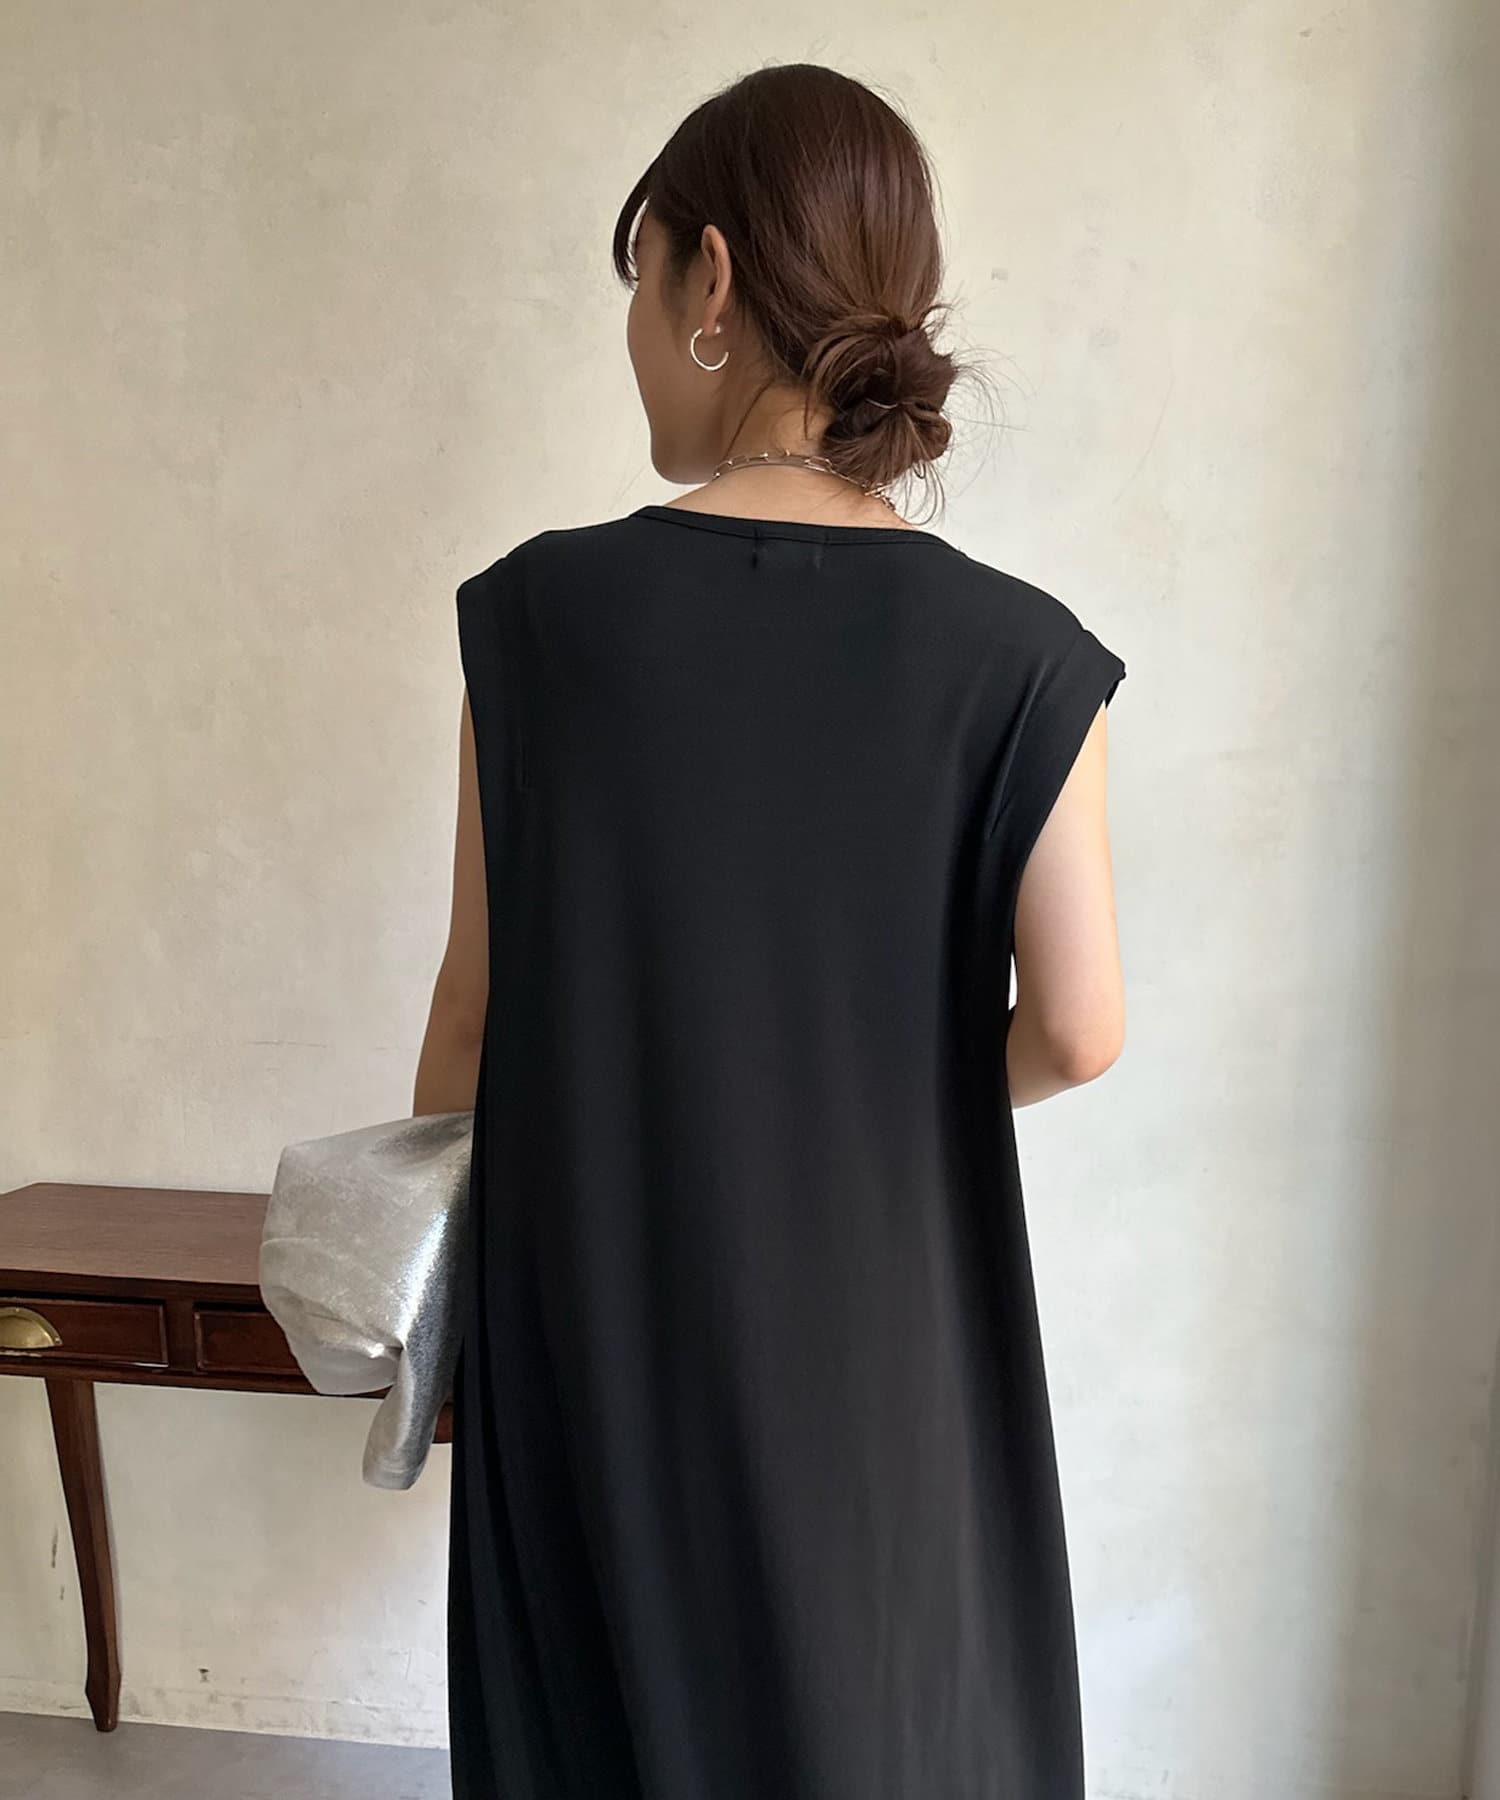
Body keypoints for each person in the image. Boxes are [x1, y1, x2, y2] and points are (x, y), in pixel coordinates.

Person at [413, 60, 1126, 1800]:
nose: (634, 332)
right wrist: (872, 1095)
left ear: (711, 277)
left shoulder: (541, 621)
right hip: (884, 1328)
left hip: (593, 1317)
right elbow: (1080, 1027)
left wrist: (442, 1320)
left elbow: (475, 1011)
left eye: (638, 275)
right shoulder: (1023, 659)